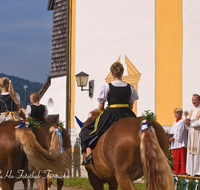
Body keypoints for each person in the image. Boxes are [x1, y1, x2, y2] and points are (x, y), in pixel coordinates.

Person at [81, 62, 139, 165]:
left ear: (112, 73)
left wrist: (104, 111)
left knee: (87, 131)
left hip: (111, 114)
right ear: (122, 73)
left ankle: (89, 152)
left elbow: (100, 106)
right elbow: (131, 106)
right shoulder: (130, 87)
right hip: (127, 114)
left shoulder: (106, 87)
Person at [184, 94, 200, 176]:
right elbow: (189, 122)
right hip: (191, 133)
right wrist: (186, 123)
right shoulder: (191, 110)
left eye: (195, 100)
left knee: (197, 152)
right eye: (192, 100)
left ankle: (197, 171)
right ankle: (190, 170)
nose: (193, 102)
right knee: (190, 152)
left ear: (199, 100)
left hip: (198, 133)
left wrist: (191, 122)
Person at [169, 108, 187, 174]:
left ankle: (182, 171)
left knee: (181, 157)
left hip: (180, 142)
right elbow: (172, 131)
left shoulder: (182, 121)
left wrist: (174, 138)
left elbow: (180, 132)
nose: (176, 114)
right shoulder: (175, 122)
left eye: (177, 113)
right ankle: (176, 170)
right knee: (176, 157)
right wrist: (170, 137)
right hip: (175, 142)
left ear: (180, 114)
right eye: (175, 113)